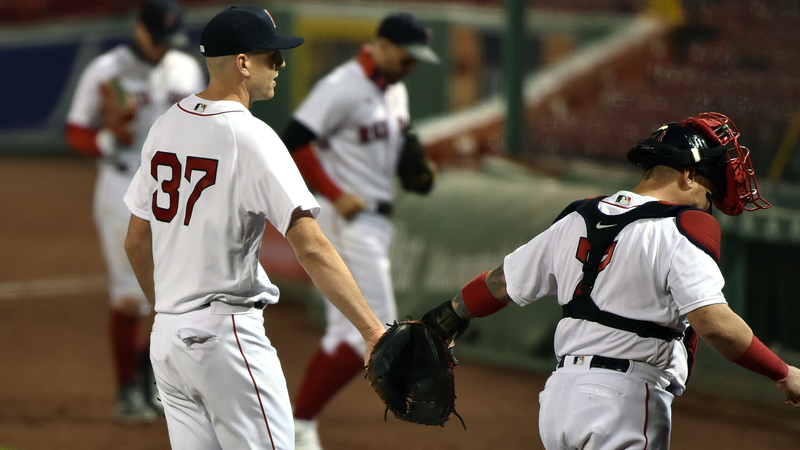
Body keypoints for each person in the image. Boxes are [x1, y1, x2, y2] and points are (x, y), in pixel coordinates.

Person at [418, 112, 800, 449]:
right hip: (622, 401)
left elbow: (500, 283)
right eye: (708, 192)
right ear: (687, 175)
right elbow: (715, 325)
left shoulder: (578, 216)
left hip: (558, 401)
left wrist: (445, 317)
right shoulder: (683, 226)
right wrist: (782, 373)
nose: (707, 204)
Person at [122, 6, 385, 449]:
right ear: (242, 63)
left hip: (168, 344)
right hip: (226, 341)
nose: (280, 65)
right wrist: (372, 330)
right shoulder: (252, 136)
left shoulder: (166, 125)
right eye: (271, 56)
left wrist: (170, 312)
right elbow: (313, 247)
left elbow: (134, 241)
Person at [280, 12, 439, 449]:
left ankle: (298, 424)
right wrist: (333, 192)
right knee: (375, 331)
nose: (413, 67)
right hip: (347, 221)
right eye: (407, 57)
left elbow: (393, 149)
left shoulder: (396, 91)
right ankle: (298, 422)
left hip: (377, 219)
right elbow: (292, 140)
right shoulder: (341, 86)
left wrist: (415, 172)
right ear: (382, 46)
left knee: (344, 333)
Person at [64, 0, 204, 424]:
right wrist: (107, 140)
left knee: (179, 294)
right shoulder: (106, 69)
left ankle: (152, 379)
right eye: (156, 39)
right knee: (130, 296)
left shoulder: (185, 69)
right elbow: (76, 130)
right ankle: (126, 389)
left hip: (177, 192)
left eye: (169, 41)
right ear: (138, 30)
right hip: (123, 185)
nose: (162, 49)